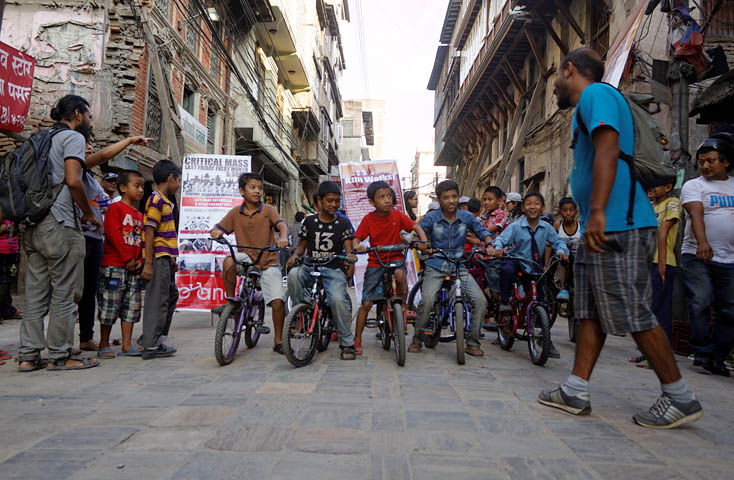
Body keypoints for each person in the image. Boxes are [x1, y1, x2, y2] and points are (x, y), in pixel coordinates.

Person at [537, 48, 701, 429]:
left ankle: (679, 396)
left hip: (617, 226)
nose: (555, 88)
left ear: (570, 70)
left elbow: (608, 147)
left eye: (556, 79)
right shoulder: (593, 101)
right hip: (608, 225)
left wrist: (596, 212)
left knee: (633, 311)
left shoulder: (597, 94)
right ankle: (576, 389)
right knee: (591, 310)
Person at [18, 95, 101, 372]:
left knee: (35, 293)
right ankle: (60, 355)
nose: (90, 122)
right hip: (61, 222)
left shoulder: (41, 138)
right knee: (65, 292)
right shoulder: (73, 138)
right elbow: (73, 180)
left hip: (34, 224)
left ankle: (28, 356)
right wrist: (88, 213)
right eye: (88, 116)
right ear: (77, 114)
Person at [409, 180, 492, 357]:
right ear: (439, 200)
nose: (451, 201)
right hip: (436, 265)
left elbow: (482, 231)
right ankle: (417, 339)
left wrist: (489, 243)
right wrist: (420, 243)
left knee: (480, 300)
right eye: (446, 197)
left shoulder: (467, 217)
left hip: (459, 266)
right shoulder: (431, 217)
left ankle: (472, 342)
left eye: (454, 196)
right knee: (427, 301)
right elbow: (417, 235)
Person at [210, 172, 290, 353]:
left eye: (260, 188)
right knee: (229, 260)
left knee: (278, 301)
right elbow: (219, 228)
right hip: (246, 257)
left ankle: (278, 341)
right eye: (252, 187)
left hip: (268, 260)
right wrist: (215, 231)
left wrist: (283, 237)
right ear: (242, 191)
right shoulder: (235, 213)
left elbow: (282, 225)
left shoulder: (269, 210)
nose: (257, 191)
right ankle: (232, 303)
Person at [680, 134, 734, 377]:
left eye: (711, 161)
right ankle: (701, 350)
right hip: (696, 254)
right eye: (702, 161)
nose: (705, 166)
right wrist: (702, 242)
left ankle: (717, 356)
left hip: (730, 259)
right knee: (701, 300)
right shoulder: (694, 185)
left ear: (726, 162)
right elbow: (696, 214)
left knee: (730, 310)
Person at [490, 192, 568, 358]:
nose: (533, 207)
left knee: (542, 302)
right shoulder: (516, 226)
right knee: (506, 269)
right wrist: (497, 248)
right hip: (517, 260)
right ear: (523, 208)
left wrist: (561, 251)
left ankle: (544, 338)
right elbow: (501, 239)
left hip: (534, 266)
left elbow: (558, 242)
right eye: (529, 204)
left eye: (537, 204)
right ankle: (505, 301)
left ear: (543, 207)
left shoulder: (546, 227)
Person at [353, 181, 428, 355]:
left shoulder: (398, 215)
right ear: (372, 202)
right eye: (381, 197)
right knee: (366, 302)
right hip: (376, 261)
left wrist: (423, 240)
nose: (386, 200)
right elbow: (357, 238)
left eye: (388, 196)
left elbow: (415, 226)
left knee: (401, 275)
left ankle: (401, 305)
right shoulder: (368, 219)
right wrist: (358, 246)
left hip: (396, 258)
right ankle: (356, 340)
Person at [287, 181, 357, 360]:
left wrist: (351, 258)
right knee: (294, 274)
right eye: (330, 201)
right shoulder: (309, 221)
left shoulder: (343, 223)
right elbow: (301, 246)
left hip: (333, 270)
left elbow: (349, 249)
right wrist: (295, 256)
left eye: (337, 201)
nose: (334, 205)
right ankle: (300, 313)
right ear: (319, 200)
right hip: (310, 267)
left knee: (337, 300)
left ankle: (347, 343)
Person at [96, 170, 145, 358]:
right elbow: (114, 235)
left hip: (133, 268)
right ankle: (103, 343)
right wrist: (127, 258)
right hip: (114, 265)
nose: (141, 190)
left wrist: (139, 260)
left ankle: (126, 344)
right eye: (137, 186)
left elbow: (140, 241)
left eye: (142, 186)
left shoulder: (139, 215)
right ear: (123, 188)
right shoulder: (115, 209)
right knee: (110, 304)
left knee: (131, 306)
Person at [140, 160, 181, 360]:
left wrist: (172, 258)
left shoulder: (165, 201)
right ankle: (151, 343)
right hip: (157, 258)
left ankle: (152, 336)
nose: (179, 185)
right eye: (178, 180)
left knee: (170, 295)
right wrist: (148, 262)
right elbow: (150, 231)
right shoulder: (156, 200)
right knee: (158, 299)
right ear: (170, 178)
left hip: (165, 258)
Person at [553, 197, 581, 301]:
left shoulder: (580, 226)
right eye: (565, 210)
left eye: (571, 210)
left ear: (576, 211)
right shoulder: (557, 226)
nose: (568, 213)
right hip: (561, 260)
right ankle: (564, 288)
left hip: (578, 260)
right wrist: (546, 264)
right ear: (560, 212)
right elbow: (549, 245)